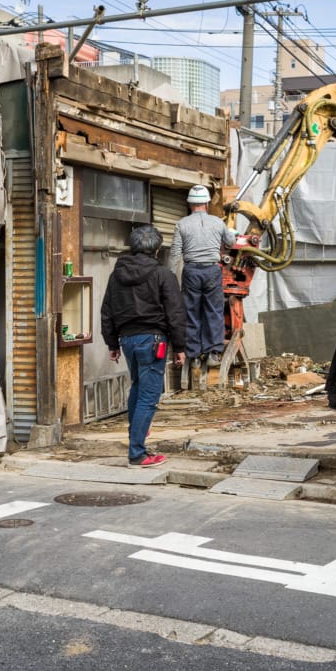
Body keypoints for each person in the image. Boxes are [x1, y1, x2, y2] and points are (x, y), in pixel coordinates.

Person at [101, 225, 186, 468]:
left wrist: (112, 342)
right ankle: (137, 454)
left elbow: (107, 310)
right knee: (149, 395)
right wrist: (180, 346)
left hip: (127, 340)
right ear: (158, 249)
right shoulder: (163, 274)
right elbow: (175, 312)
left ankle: (137, 433)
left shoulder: (116, 275)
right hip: (153, 340)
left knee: (138, 388)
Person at [169, 184, 237, 368]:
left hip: (191, 271)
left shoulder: (181, 224)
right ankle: (213, 353)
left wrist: (171, 279)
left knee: (191, 312)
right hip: (212, 271)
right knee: (213, 311)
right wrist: (230, 233)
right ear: (207, 203)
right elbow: (230, 243)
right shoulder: (217, 222)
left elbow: (175, 254)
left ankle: (194, 356)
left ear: (190, 204)